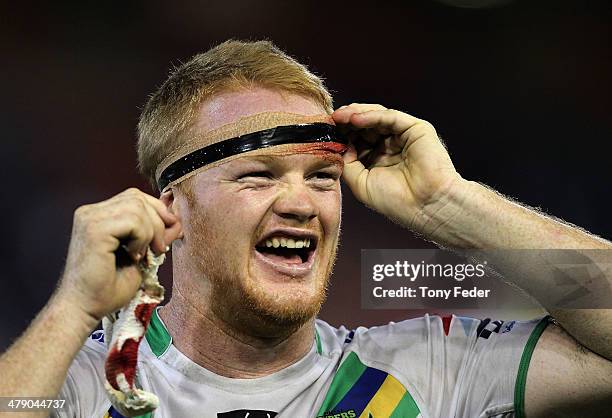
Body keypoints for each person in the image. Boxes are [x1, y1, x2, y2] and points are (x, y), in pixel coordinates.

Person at [0, 40, 611, 418]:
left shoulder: (435, 371)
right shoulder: (83, 386)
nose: (301, 203)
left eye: (322, 178)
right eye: (259, 176)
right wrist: (73, 308)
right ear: (172, 211)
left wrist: (451, 206)